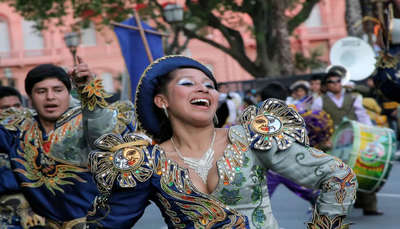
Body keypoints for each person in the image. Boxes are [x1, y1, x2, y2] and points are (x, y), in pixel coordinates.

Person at [88, 55, 357, 228]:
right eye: (187, 83)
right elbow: (109, 224)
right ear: (162, 101)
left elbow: (338, 177)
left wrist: (325, 226)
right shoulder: (147, 162)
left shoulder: (252, 137)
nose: (204, 88)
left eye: (209, 84)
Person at [0, 60, 135, 227]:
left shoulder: (85, 122)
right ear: (30, 98)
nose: (50, 97)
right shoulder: (17, 128)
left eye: (58, 90)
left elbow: (102, 135)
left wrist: (88, 91)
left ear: (68, 93)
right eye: (41, 91)